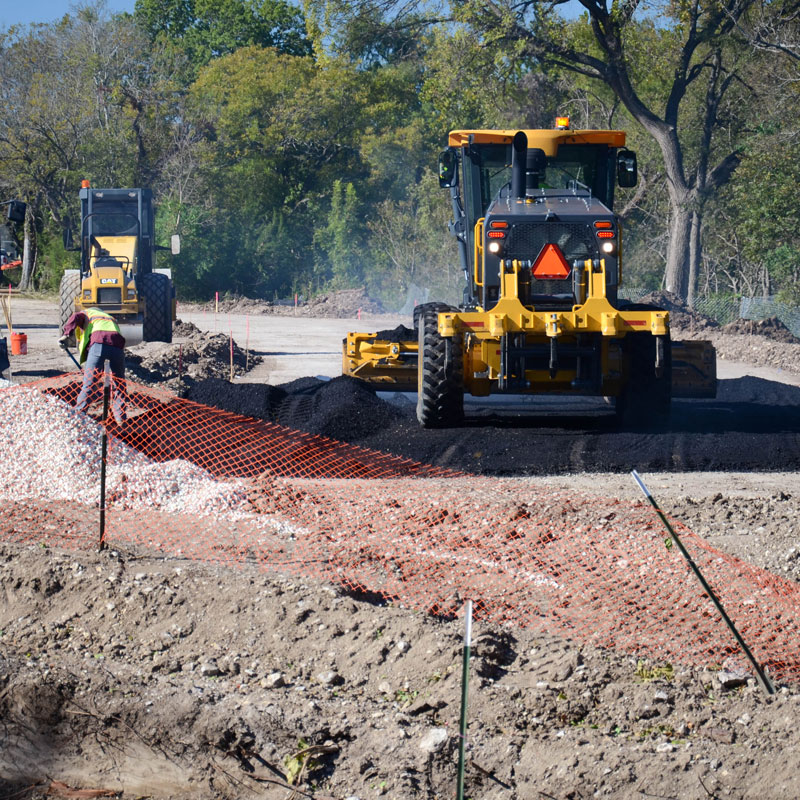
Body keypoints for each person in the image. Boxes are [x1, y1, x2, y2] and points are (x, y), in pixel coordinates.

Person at [60, 308, 127, 426]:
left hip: (99, 343)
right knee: (119, 382)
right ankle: (121, 417)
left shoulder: (86, 313)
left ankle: (79, 416)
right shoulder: (108, 317)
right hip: (118, 345)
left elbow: (75, 316)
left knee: (89, 383)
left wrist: (66, 335)